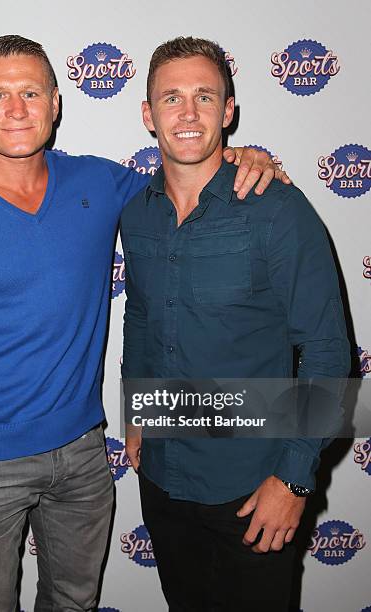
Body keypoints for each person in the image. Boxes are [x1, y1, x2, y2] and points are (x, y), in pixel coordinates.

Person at [0, 35, 285, 612]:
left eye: (32, 92)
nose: (17, 110)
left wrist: (243, 155)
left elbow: (189, 172)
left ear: (56, 103)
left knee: (74, 604)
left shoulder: (99, 184)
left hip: (85, 458)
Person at [121, 37, 350, 612]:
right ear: (148, 115)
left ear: (228, 111)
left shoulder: (278, 209)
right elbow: (143, 315)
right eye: (171, 98)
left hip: (255, 489)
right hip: (164, 479)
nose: (189, 113)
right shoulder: (136, 213)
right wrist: (137, 411)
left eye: (205, 96)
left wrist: (295, 479)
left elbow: (327, 353)